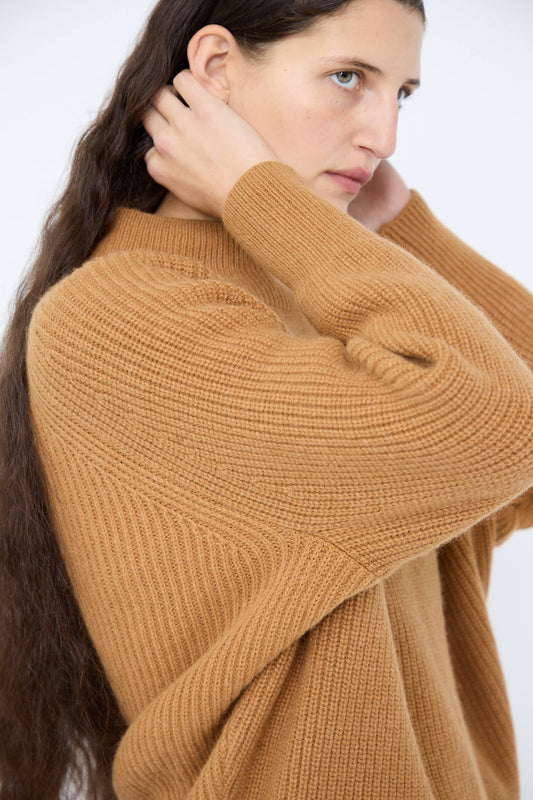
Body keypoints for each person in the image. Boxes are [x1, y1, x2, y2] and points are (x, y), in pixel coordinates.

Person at [1, 0, 533, 797]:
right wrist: (262, 193)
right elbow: (497, 424)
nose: (383, 137)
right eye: (347, 77)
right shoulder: (121, 317)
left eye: (402, 94)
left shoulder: (321, 289)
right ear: (215, 70)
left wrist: (397, 231)